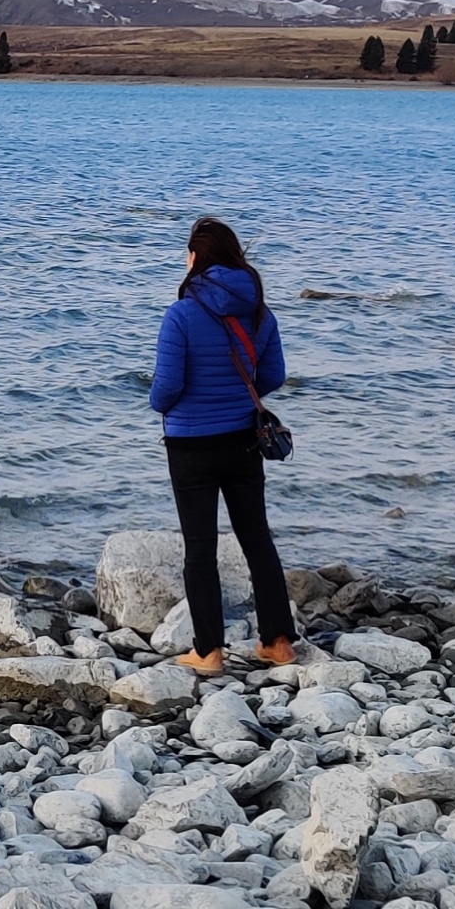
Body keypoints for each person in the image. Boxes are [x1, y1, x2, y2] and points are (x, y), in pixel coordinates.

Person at [148, 215, 297, 675]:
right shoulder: (259, 311)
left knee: (200, 547)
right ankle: (278, 643)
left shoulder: (181, 314)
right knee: (256, 538)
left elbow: (164, 391)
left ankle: (209, 651)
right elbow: (271, 376)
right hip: (243, 441)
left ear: (195, 259)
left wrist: (168, 403)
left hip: (192, 446)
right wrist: (234, 396)